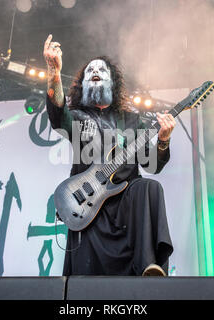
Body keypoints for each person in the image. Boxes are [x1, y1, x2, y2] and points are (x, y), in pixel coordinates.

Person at [43, 34, 175, 276]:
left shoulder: (133, 121)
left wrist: (164, 140)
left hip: (126, 204)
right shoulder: (78, 116)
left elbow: (152, 165)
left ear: (113, 83)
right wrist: (54, 72)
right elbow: (57, 114)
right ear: (82, 84)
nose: (95, 71)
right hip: (89, 202)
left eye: (101, 70)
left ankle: (148, 267)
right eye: (89, 70)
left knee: (150, 187)